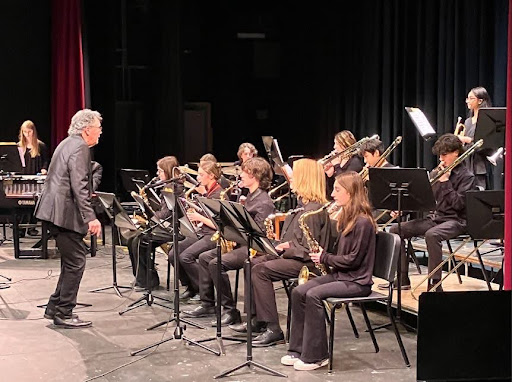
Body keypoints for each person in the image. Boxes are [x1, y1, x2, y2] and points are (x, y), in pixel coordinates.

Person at [229, 158, 332, 347]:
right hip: (294, 255)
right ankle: (257, 319)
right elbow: (298, 239)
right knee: (251, 262)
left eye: (294, 175)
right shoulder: (303, 206)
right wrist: (284, 245)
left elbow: (309, 250)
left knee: (261, 271)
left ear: (305, 178)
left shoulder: (314, 210)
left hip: (307, 264)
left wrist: (287, 248)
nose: (290, 178)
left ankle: (273, 329)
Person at [281, 171, 377, 371]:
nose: (332, 194)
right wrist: (325, 255)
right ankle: (298, 349)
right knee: (299, 291)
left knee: (314, 295)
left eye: (337, 190)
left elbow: (353, 260)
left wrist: (324, 258)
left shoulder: (363, 222)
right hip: (342, 275)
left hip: (357, 282)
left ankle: (317, 356)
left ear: (350, 193)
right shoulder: (347, 218)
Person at [184, 157, 275, 326]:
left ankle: (230, 310)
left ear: (254, 176)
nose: (240, 175)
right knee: (205, 258)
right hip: (241, 243)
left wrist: (234, 235)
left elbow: (259, 236)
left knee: (216, 263)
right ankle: (208, 303)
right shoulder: (250, 196)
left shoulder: (263, 201)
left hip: (254, 249)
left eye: (244, 172)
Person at [34, 109, 103, 328]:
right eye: (98, 129)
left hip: (52, 212)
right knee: (77, 262)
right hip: (62, 213)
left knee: (71, 260)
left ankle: (55, 307)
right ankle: (64, 312)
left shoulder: (67, 143)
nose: (100, 133)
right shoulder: (80, 147)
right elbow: (79, 185)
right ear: (87, 129)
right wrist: (90, 217)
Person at [390, 134, 475, 291]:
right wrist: (402, 210)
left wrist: (446, 182)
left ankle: (434, 285)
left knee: (432, 235)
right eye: (440, 155)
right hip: (436, 218)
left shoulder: (467, 177)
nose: (441, 159)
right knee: (396, 229)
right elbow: (422, 198)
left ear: (456, 152)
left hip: (456, 221)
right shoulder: (437, 172)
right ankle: (402, 279)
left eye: (445, 155)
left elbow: (459, 205)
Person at [125, 156, 182, 290]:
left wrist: (151, 218)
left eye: (160, 171)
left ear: (167, 171)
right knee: (132, 239)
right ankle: (142, 278)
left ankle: (148, 281)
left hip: (173, 228)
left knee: (140, 240)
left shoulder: (175, 188)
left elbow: (168, 212)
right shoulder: (168, 186)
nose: (157, 174)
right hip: (165, 226)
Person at [174, 160, 224, 301]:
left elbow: (218, 225)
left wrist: (198, 217)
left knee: (186, 257)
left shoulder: (218, 195)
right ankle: (191, 287)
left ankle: (205, 295)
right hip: (203, 232)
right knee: (173, 254)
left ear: (212, 176)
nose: (198, 178)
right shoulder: (208, 192)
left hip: (214, 235)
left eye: (201, 175)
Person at [455, 86, 492, 189]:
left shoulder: (486, 120)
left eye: (471, 98)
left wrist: (467, 140)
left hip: (479, 165)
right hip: (466, 164)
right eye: (467, 98)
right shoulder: (467, 121)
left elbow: (487, 144)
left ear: (480, 101)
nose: (468, 101)